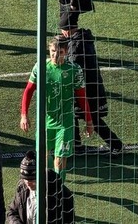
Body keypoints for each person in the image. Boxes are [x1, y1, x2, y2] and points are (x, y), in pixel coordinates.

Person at [20, 37, 94, 183]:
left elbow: (82, 97)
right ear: (49, 50)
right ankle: (47, 185)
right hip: (45, 121)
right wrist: (24, 115)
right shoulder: (40, 67)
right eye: (53, 51)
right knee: (43, 156)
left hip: (65, 122)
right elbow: (28, 91)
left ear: (66, 52)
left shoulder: (74, 70)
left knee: (60, 158)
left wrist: (89, 121)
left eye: (60, 52)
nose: (55, 55)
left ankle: (58, 188)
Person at [59, 17, 124, 156]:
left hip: (87, 89)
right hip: (90, 86)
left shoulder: (76, 45)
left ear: (67, 30)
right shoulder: (83, 39)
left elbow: (74, 68)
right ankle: (77, 145)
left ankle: (116, 145)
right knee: (74, 113)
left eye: (62, 30)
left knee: (91, 117)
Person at [6, 151, 75, 224]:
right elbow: (12, 211)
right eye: (26, 180)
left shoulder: (61, 193)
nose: (28, 183)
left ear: (42, 176)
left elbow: (69, 220)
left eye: (32, 180)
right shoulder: (22, 187)